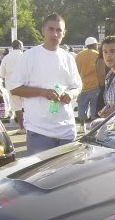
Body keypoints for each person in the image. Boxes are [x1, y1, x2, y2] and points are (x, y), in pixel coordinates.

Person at [8, 13, 82, 155]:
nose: (55, 34)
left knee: (67, 170)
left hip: (67, 131)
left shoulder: (68, 58)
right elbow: (15, 88)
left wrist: (70, 94)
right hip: (39, 132)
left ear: (64, 33)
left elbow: (77, 86)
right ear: (43, 31)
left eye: (59, 30)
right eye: (51, 29)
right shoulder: (29, 56)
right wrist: (43, 92)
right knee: (40, 170)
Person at [0, 39, 25, 134]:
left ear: (12, 47)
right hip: (26, 85)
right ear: (21, 46)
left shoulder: (6, 58)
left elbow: (1, 74)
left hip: (12, 86)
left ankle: (22, 128)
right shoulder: (25, 56)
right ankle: (31, 128)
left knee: (17, 107)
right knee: (29, 106)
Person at [75, 36, 102, 128]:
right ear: (94, 45)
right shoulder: (97, 54)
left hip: (82, 86)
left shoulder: (79, 55)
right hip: (95, 86)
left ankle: (82, 126)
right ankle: (94, 126)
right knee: (94, 107)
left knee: (82, 107)